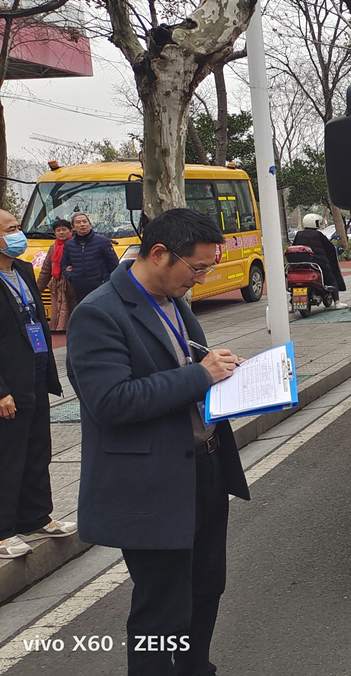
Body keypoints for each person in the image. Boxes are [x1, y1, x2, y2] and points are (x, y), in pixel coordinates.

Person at [66, 208, 250, 675]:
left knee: (206, 585)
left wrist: (221, 370)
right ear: (160, 253)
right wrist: (197, 375)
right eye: (198, 268)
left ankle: (194, 668)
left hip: (204, 467)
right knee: (160, 606)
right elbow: (111, 401)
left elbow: (187, 369)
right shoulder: (98, 313)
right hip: (152, 483)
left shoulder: (176, 302)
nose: (202, 278)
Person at [0, 209, 74, 559]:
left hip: (36, 372)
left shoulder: (24, 270)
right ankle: (4, 530)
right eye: (11, 229)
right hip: (8, 385)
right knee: (8, 457)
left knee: (37, 451)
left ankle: (37, 516)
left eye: (18, 227)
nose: (19, 234)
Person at [291, 214, 348, 309]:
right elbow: (329, 248)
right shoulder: (318, 235)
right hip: (318, 264)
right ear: (314, 223)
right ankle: (337, 302)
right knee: (331, 278)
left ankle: (292, 303)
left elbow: (294, 246)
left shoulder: (299, 234)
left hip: (300, 265)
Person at [62, 212, 119, 302]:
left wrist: (108, 282)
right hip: (79, 289)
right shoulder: (69, 245)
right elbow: (64, 264)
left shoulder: (102, 241)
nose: (82, 225)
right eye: (78, 222)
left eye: (84, 222)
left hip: (101, 288)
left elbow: (114, 264)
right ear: (73, 227)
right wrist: (72, 277)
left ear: (90, 224)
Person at [36, 219, 77, 331]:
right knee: (57, 314)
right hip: (56, 286)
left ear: (71, 230)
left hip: (72, 286)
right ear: (54, 233)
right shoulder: (53, 248)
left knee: (72, 314)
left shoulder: (76, 245)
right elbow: (46, 270)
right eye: (58, 230)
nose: (61, 232)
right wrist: (36, 291)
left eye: (64, 229)